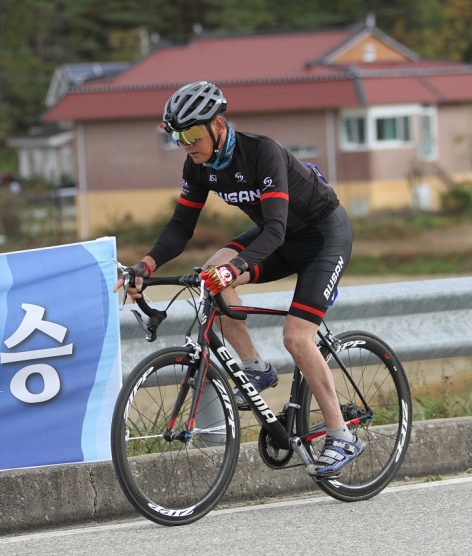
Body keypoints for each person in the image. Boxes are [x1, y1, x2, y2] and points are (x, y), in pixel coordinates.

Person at [114, 80, 362, 478]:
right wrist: (146, 264)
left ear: (218, 124)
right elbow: (181, 226)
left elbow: (275, 229)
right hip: (279, 239)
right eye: (177, 137)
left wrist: (238, 266)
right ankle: (255, 367)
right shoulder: (198, 166)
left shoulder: (262, 152)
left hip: (322, 238)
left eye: (192, 135)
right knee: (213, 271)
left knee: (297, 338)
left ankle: (341, 435)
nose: (186, 145)